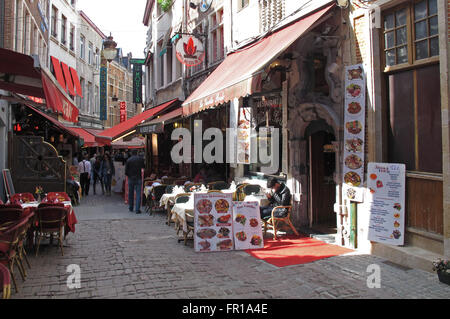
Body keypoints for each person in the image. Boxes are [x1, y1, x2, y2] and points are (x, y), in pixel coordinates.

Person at [125, 149, 145, 214]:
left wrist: (129, 175)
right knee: (138, 194)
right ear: (137, 153)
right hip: (138, 177)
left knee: (131, 193)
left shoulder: (129, 160)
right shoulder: (140, 159)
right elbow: (143, 167)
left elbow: (126, 171)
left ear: (131, 153)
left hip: (131, 178)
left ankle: (131, 207)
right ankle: (137, 209)